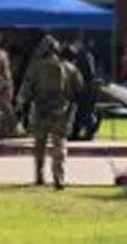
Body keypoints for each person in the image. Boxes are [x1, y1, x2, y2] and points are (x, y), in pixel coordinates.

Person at [17, 36, 82, 189]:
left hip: (41, 109)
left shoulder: (36, 67)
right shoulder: (68, 67)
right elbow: (79, 87)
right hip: (61, 110)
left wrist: (20, 104)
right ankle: (59, 178)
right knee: (59, 143)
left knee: (40, 144)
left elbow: (26, 88)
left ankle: (39, 176)